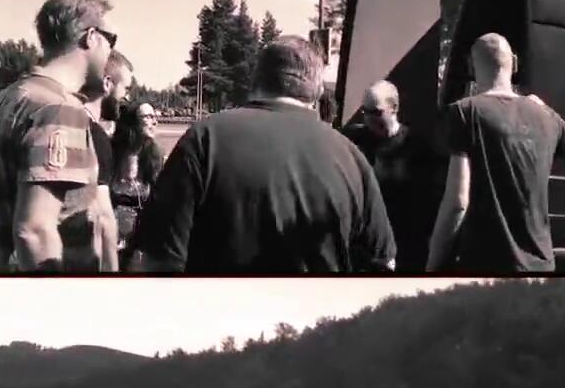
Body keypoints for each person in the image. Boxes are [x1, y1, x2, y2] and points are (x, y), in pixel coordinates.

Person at [130, 35, 395, 272]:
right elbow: (383, 262)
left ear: (256, 79)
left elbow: (158, 259)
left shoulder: (205, 138)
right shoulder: (352, 158)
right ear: (317, 91)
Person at [0, 0, 117, 272]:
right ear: (91, 37)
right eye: (111, 40)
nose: (112, 52)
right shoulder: (59, 108)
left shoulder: (12, 96)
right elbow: (35, 232)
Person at [427, 33, 565, 273]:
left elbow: (458, 202)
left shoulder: (464, 113)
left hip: (485, 266)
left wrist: (433, 263)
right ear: (515, 64)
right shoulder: (548, 117)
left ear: (470, 66)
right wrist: (548, 114)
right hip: (541, 267)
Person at [340, 80, 445, 273]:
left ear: (394, 108)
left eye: (376, 112)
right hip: (362, 248)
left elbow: (429, 203)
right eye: (365, 111)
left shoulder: (417, 148)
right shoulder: (353, 140)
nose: (368, 119)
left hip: (404, 245)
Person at [75, 49, 134, 271]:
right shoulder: (95, 136)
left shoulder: (64, 121)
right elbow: (103, 217)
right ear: (107, 84)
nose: (127, 98)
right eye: (126, 89)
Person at [112, 102, 164, 186]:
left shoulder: (155, 154)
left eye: (154, 117)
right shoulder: (111, 151)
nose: (155, 122)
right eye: (148, 117)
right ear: (133, 121)